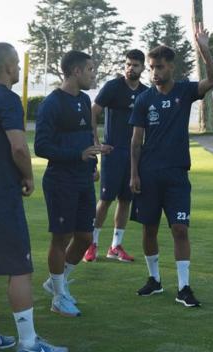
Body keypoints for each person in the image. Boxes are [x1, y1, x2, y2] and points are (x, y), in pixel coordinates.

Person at [0, 42, 68, 352]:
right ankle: (28, 343)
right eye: (17, 66)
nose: (19, 71)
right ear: (9, 68)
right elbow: (19, 148)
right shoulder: (7, 100)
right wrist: (28, 177)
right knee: (19, 269)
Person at [129, 23, 213, 307]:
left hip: (177, 174)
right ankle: (154, 280)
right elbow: (135, 141)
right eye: (152, 67)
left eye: (159, 67)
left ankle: (184, 287)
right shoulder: (144, 99)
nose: (154, 72)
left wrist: (205, 51)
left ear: (171, 68)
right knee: (149, 230)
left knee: (180, 229)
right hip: (148, 174)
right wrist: (133, 174)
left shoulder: (184, 91)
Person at [35, 50, 113, 317]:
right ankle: (58, 297)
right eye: (90, 69)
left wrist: (93, 161)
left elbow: (84, 140)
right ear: (76, 71)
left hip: (82, 179)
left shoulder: (83, 100)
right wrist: (76, 156)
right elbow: (41, 146)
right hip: (60, 181)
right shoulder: (52, 103)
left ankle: (56, 281)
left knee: (84, 237)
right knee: (61, 238)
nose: (94, 74)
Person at [83, 49, 148, 263]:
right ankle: (91, 243)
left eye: (135, 65)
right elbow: (93, 112)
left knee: (126, 199)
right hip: (112, 152)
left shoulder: (146, 93)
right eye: (128, 64)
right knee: (106, 199)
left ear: (142, 67)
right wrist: (96, 142)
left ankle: (115, 246)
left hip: (134, 155)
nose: (131, 68)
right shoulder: (113, 87)